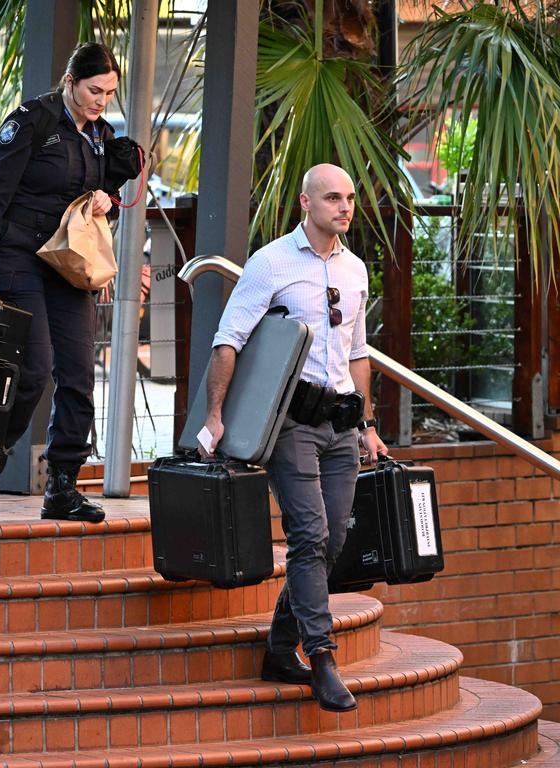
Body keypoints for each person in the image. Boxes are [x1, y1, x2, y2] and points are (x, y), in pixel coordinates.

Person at [200, 163, 388, 712]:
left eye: (350, 198)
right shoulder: (271, 263)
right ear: (306, 204)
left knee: (331, 543)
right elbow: (228, 337)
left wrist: (369, 426)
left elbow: (357, 352)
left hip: (341, 427)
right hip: (291, 425)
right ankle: (322, 658)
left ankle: (279, 648)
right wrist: (215, 415)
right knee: (309, 537)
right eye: (333, 198)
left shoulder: (354, 270)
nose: (345, 207)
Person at [0, 42, 125, 524]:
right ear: (69, 82)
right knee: (34, 368)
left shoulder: (99, 135)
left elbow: (94, 194)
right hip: (17, 256)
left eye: (109, 93)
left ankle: (62, 485)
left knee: (78, 375)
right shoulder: (31, 121)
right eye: (94, 90)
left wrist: (108, 198)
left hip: (67, 264)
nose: (100, 101)